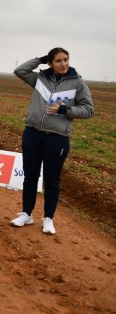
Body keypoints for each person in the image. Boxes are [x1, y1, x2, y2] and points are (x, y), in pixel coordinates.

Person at [10, 48, 94, 235]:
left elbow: (88, 110)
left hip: (57, 138)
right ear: (50, 63)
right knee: (30, 176)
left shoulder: (77, 82)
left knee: (52, 180)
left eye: (65, 60)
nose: (63, 64)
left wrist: (65, 110)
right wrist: (39, 59)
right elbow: (20, 71)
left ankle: (48, 218)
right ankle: (26, 213)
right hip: (32, 134)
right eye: (58, 61)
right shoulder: (41, 79)